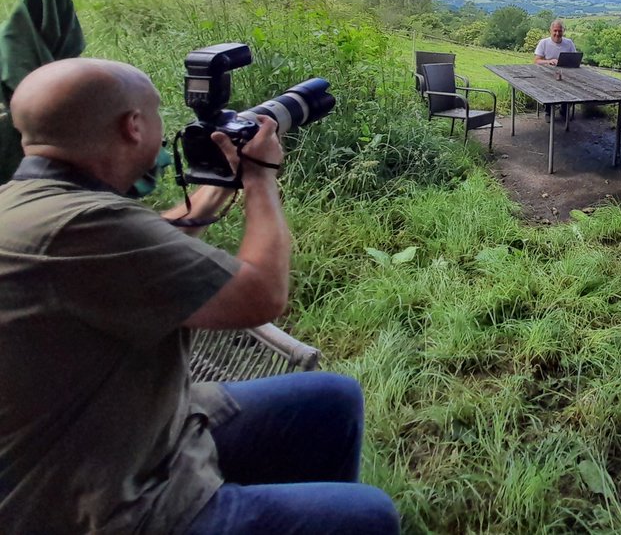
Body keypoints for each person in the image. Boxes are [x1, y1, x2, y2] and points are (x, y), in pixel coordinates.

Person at [0, 58, 400, 535]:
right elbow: (262, 295)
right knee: (368, 514)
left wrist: (210, 193)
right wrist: (260, 178)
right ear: (133, 126)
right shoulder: (83, 225)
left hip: (126, 428)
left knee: (332, 398)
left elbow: (139, 249)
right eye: (155, 113)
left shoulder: (29, 206)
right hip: (104, 500)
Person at [533, 19, 577, 120]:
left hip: (566, 73)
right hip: (547, 74)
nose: (557, 34)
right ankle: (548, 111)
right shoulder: (544, 43)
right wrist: (549, 61)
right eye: (555, 31)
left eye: (560, 31)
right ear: (551, 31)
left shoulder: (569, 43)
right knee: (548, 86)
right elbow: (536, 61)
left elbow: (575, 58)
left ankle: (564, 109)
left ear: (563, 31)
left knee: (572, 86)